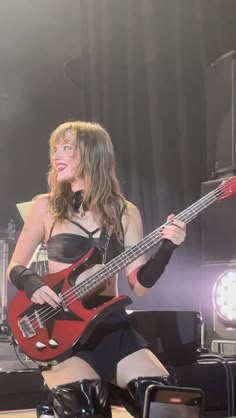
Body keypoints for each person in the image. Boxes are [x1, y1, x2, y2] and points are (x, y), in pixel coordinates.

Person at [7, 121, 186, 418]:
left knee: (167, 403)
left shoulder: (125, 212)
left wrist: (167, 248)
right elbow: (15, 265)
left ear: (92, 155)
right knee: (84, 404)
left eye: (67, 148)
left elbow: (139, 285)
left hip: (112, 327)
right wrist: (33, 284)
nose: (56, 156)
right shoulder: (45, 207)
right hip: (63, 328)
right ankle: (56, 400)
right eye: (55, 149)